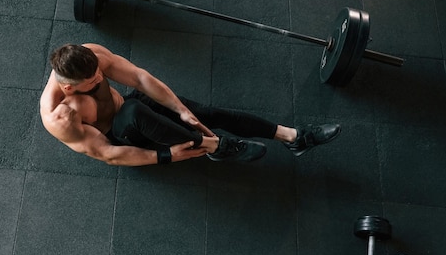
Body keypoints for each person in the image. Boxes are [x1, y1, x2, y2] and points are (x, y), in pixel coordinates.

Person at [40, 43, 341, 166]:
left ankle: (292, 137)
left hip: (132, 106)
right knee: (133, 111)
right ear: (69, 87)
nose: (100, 78)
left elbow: (141, 79)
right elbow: (109, 154)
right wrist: (166, 155)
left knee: (205, 113)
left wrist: (179, 109)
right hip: (123, 135)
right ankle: (215, 147)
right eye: (93, 81)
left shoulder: (91, 56)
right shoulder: (61, 118)